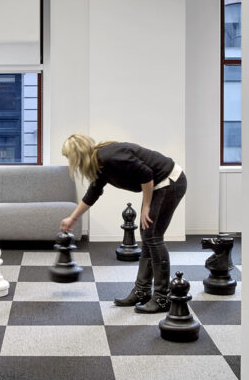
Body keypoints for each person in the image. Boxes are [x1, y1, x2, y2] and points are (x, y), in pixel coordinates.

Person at [59, 134, 187, 313]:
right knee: (147, 234)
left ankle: (162, 297)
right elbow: (93, 193)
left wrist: (146, 206)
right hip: (158, 184)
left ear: (76, 155)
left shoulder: (109, 157)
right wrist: (72, 218)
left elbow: (147, 174)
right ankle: (142, 291)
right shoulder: (99, 164)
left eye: (68, 157)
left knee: (153, 236)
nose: (69, 161)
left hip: (169, 181)